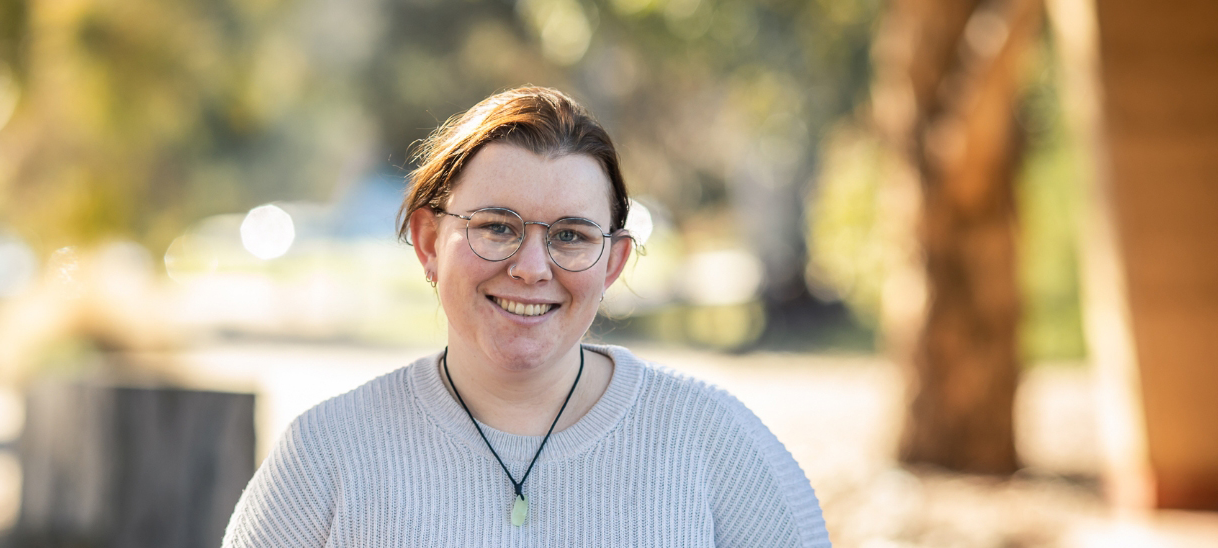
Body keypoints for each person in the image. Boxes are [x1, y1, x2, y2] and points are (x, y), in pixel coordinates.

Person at [222, 87, 829, 547]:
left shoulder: (717, 447)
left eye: (569, 235)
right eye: (495, 227)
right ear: (430, 241)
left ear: (613, 262)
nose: (532, 267)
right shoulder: (326, 459)